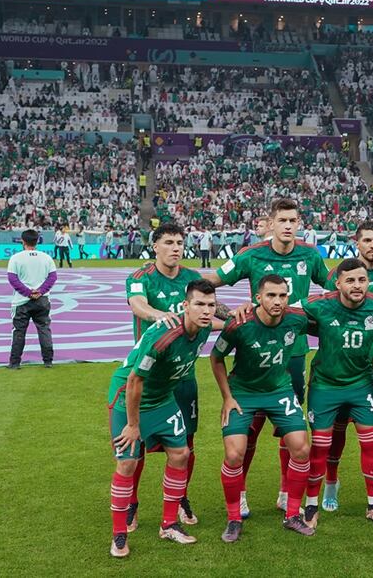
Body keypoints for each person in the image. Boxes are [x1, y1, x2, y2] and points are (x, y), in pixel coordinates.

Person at [205, 198, 332, 515]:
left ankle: (285, 492)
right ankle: (242, 491)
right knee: (249, 429)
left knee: (289, 431)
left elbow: (334, 289)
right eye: (283, 220)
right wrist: (228, 313)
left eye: (293, 220)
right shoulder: (251, 255)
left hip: (293, 354)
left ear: (298, 223)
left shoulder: (310, 256)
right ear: (270, 223)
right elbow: (210, 283)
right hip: (254, 353)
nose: (288, 225)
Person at [106, 279, 217, 557]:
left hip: (164, 399)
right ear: (185, 306)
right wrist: (133, 426)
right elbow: (134, 381)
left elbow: (224, 322)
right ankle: (119, 535)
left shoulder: (203, 329)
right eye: (199, 304)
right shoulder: (164, 335)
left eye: (210, 305)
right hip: (128, 398)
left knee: (181, 453)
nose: (206, 311)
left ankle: (169, 524)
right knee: (128, 463)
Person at [210, 275, 315, 541]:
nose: (277, 301)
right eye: (271, 295)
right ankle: (234, 519)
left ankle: (292, 515)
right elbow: (216, 357)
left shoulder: (297, 319)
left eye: (282, 295)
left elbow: (328, 322)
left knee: (302, 448)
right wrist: (227, 396)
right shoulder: (239, 324)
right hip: (243, 392)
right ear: (258, 298)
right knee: (234, 454)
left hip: (279, 390)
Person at [302, 258, 373, 530]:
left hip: (361, 385)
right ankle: (311, 505)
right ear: (338, 282)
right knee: (320, 446)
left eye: (362, 280)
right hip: (325, 386)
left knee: (370, 443)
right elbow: (282, 308)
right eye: (351, 280)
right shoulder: (319, 304)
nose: (357, 286)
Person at [319, 220, 373, 512]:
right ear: (357, 243)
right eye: (367, 240)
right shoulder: (340, 273)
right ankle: (332, 482)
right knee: (337, 430)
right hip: (342, 368)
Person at [122, 224, 205, 533]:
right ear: (154, 246)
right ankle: (131, 503)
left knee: (186, 442)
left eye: (180, 242)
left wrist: (238, 313)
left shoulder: (191, 279)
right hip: (149, 377)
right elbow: (137, 305)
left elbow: (210, 305)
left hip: (183, 376)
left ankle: (180, 498)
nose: (175, 248)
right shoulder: (141, 278)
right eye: (169, 242)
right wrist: (160, 315)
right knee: (137, 442)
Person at [6, 229, 56, 369]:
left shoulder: (16, 258)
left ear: (23, 241)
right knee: (44, 329)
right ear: (37, 241)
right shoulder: (46, 257)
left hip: (22, 300)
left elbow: (13, 279)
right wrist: (40, 291)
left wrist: (28, 292)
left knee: (19, 331)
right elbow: (52, 277)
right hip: (42, 299)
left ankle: (15, 362)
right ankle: (48, 361)